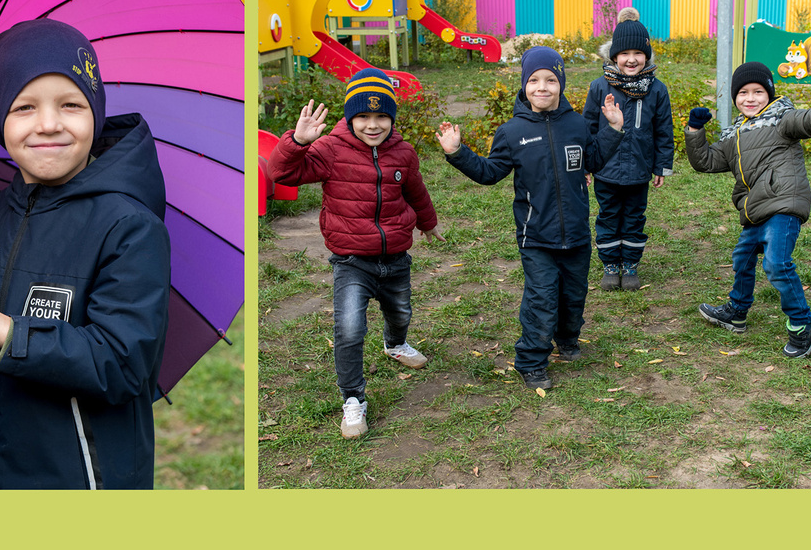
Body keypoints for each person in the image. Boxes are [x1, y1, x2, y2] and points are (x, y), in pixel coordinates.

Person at [0, 19, 173, 489]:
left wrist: (2, 329)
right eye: (25, 107)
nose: (50, 123)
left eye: (71, 104)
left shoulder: (128, 224)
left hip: (80, 481)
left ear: (95, 113)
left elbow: (122, 363)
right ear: (0, 119)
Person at [437, 47, 624, 391]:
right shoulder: (511, 132)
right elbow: (490, 172)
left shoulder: (577, 124)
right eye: (534, 80)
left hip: (577, 234)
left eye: (551, 80)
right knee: (541, 298)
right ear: (524, 85)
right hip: (536, 236)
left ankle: (567, 341)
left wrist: (612, 129)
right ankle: (531, 361)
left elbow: (594, 160)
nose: (542, 87)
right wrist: (457, 152)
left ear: (561, 83)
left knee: (573, 295)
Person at [264, 70, 437, 440]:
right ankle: (353, 400)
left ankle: (395, 344)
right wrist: (297, 141)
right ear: (349, 117)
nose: (372, 126)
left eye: (381, 117)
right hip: (351, 259)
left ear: (392, 118)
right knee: (349, 329)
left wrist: (428, 221)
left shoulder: (403, 152)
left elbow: (417, 191)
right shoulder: (329, 149)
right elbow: (282, 173)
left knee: (401, 311)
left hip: (395, 255)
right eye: (363, 117)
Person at [684, 61, 811, 358]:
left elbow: (804, 121)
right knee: (742, 259)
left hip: (783, 203)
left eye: (758, 91)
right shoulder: (734, 136)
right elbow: (705, 161)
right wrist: (694, 130)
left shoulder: (781, 119)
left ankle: (803, 324)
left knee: (776, 264)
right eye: (743, 92)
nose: (750, 98)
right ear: (735, 98)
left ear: (769, 94)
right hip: (755, 209)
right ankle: (737, 312)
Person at [582, 13, 672, 292]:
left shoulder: (656, 90)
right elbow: (586, 127)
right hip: (605, 169)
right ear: (613, 56)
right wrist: (585, 164)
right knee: (608, 215)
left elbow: (663, 131)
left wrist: (661, 166)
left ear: (647, 55)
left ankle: (630, 264)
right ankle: (610, 264)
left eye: (638, 53)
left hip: (639, 170)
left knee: (634, 217)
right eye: (624, 53)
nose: (631, 59)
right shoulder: (600, 87)